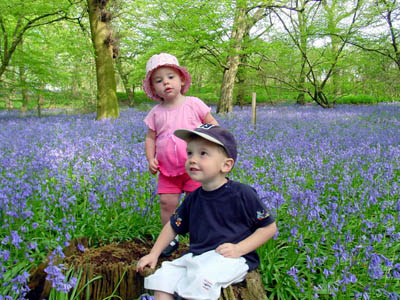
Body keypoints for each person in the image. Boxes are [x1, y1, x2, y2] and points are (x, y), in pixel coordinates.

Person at [136, 124, 277, 300]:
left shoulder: (243, 194)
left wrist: (239, 249)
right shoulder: (193, 198)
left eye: (203, 153)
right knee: (164, 277)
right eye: (190, 153)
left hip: (232, 259)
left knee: (201, 280)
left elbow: (268, 228)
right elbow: (173, 226)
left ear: (226, 165)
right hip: (197, 257)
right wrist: (154, 254)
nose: (193, 159)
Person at [143, 53, 218, 257]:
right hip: (167, 170)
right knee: (167, 203)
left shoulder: (194, 104)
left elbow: (212, 123)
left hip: (195, 169)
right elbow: (150, 138)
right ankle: (170, 238)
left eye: (170, 77)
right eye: (159, 80)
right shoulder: (156, 113)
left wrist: (214, 146)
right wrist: (151, 158)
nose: (165, 83)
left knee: (197, 202)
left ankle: (199, 237)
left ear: (182, 79)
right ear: (154, 88)